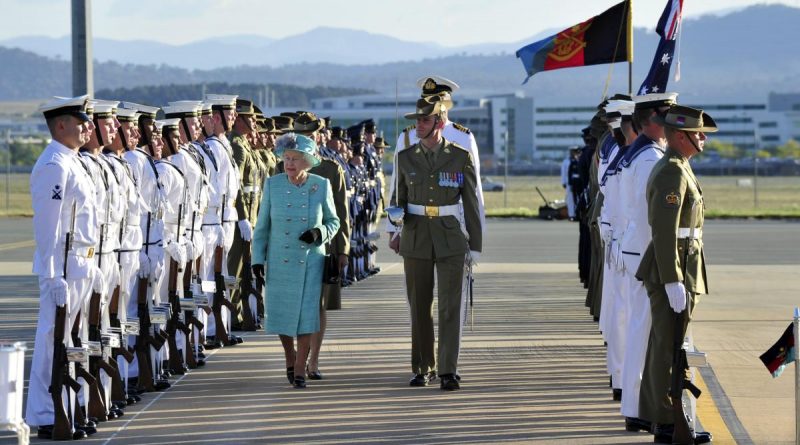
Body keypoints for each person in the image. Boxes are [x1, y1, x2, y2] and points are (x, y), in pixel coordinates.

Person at [635, 105, 716, 444]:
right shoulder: (671, 171)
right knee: (667, 348)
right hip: (675, 267)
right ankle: (666, 421)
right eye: (698, 133)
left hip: (683, 264)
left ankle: (664, 418)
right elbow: (665, 231)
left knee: (668, 345)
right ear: (680, 136)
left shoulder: (679, 167)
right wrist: (672, 279)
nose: (702, 138)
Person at [392, 95, 481, 391]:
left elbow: (471, 203)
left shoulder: (459, 155)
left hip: (450, 237)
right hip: (416, 236)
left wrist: (476, 245)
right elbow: (398, 200)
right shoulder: (405, 157)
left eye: (425, 120)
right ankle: (422, 366)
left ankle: (448, 369)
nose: (418, 125)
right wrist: (394, 229)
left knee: (450, 306)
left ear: (440, 123)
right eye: (417, 120)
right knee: (419, 305)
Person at [27, 95, 98, 440]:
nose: (87, 126)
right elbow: (48, 227)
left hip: (80, 261)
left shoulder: (74, 161)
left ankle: (68, 407)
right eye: (79, 121)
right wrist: (53, 274)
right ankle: (45, 413)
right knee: (51, 341)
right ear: (60, 126)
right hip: (63, 265)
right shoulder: (54, 164)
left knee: (71, 342)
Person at [251, 133, 340, 389]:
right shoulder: (273, 184)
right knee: (281, 312)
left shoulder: (321, 184)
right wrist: (257, 259)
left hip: (311, 259)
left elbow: (334, 221)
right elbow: (262, 226)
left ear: (307, 162)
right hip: (280, 258)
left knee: (306, 314)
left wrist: (319, 233)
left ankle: (300, 367)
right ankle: (289, 356)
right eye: (286, 158)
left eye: (295, 159)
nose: (289, 164)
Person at [614, 93, 676, 433]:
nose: (672, 121)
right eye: (667, 114)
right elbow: (652, 214)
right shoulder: (652, 157)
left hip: (636, 248)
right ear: (652, 119)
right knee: (647, 333)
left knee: (639, 330)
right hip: (648, 253)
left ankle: (634, 405)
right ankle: (640, 406)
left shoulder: (639, 153)